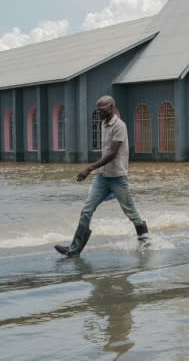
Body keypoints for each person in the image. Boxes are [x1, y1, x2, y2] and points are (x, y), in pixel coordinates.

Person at [55, 95, 149, 257]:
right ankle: (74, 248)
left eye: (101, 109)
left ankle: (145, 241)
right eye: (97, 109)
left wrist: (89, 168)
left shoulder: (120, 126)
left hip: (118, 177)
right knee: (86, 210)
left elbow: (112, 153)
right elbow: (105, 151)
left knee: (130, 212)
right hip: (102, 177)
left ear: (111, 107)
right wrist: (95, 170)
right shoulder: (103, 124)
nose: (98, 112)